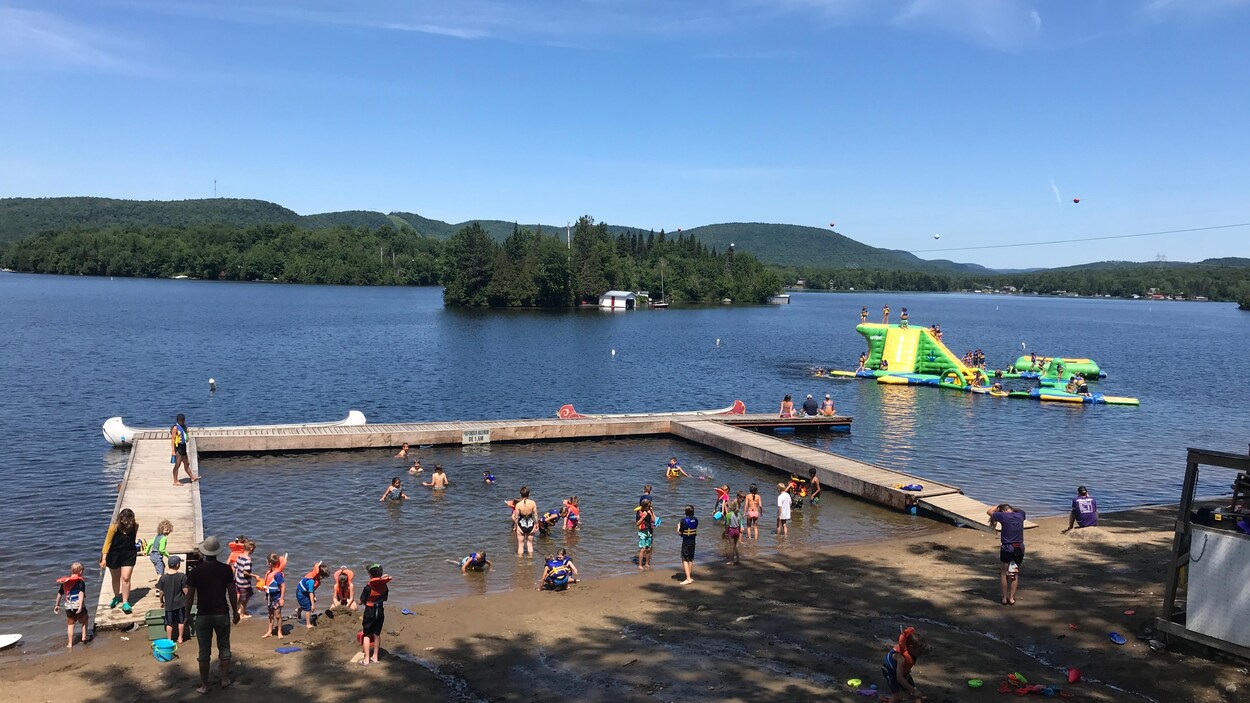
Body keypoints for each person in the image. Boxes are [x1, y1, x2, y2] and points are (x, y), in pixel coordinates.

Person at [185, 535, 240, 694]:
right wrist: (235, 611)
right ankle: (224, 679)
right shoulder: (226, 569)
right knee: (224, 646)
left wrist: (186, 615)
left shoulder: (196, 571)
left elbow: (189, 596)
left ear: (204, 552)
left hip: (203, 614)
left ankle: (204, 685)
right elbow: (232, 592)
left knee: (204, 650)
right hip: (222, 613)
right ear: (217, 552)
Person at [100, 507, 139, 614]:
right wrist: (104, 558)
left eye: (129, 519)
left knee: (126, 578)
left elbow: (133, 538)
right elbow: (107, 543)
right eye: (125, 520)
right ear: (121, 519)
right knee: (116, 577)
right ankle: (116, 596)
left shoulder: (135, 526)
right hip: (114, 554)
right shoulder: (114, 528)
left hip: (129, 553)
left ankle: (125, 602)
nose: (127, 522)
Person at [987, 503, 1026, 605]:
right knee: (1014, 573)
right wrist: (1010, 507)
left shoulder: (1003, 516)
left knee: (1004, 573)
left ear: (1003, 511)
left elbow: (989, 511)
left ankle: (1004, 598)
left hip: (1007, 548)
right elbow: (1018, 509)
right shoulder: (1021, 514)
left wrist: (998, 505)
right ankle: (1011, 598)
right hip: (1019, 547)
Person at [881, 627, 928, 703]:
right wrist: (913, 690)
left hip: (903, 672)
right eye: (919, 651)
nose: (921, 653)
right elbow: (899, 678)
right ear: (911, 647)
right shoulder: (901, 658)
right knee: (898, 696)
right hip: (890, 671)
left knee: (916, 694)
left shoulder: (911, 652)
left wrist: (914, 690)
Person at [359, 564, 391, 666]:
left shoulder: (368, 587)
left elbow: (361, 601)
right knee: (377, 634)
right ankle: (375, 657)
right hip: (380, 611)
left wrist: (360, 602)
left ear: (370, 575)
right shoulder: (384, 586)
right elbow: (385, 598)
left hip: (370, 611)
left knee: (367, 635)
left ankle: (366, 659)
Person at [54, 563, 90, 650]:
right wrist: (80, 606)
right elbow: (81, 593)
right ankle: (84, 637)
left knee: (70, 624)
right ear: (80, 572)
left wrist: (57, 605)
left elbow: (59, 594)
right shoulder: (80, 581)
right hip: (77, 605)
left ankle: (70, 644)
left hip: (69, 606)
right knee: (85, 620)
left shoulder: (65, 582)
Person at [156, 555, 188, 643]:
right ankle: (180, 638)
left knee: (169, 623)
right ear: (177, 565)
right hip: (180, 603)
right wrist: (187, 599)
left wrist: (161, 601)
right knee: (181, 621)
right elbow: (185, 590)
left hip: (169, 604)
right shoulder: (182, 576)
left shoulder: (163, 578)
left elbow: (161, 592)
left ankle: (169, 639)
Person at [257, 552, 287, 638]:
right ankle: (269, 631)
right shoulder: (269, 572)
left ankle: (279, 631)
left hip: (277, 597)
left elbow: (283, 586)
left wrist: (281, 598)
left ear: (269, 563)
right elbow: (268, 584)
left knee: (277, 615)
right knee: (270, 614)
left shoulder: (277, 574)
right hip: (269, 597)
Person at [295, 561, 328, 630]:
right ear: (319, 574)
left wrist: (314, 598)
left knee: (310, 603)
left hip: (305, 591)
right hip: (301, 593)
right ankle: (308, 624)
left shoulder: (315, 578)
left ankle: (299, 610)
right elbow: (311, 592)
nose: (323, 578)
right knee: (308, 609)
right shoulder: (311, 581)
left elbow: (312, 590)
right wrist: (313, 605)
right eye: (323, 577)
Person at [170, 414, 199, 486]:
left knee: (187, 463)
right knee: (177, 465)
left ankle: (192, 477)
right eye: (181, 420)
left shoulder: (184, 427)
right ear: (178, 420)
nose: (182, 421)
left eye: (183, 420)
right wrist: (173, 450)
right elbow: (173, 440)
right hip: (178, 448)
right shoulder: (175, 428)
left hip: (183, 446)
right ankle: (175, 481)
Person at [233, 538, 255, 619]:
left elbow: (235, 567)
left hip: (238, 581)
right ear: (251, 548)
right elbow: (245, 572)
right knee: (245, 598)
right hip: (244, 583)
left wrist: (233, 578)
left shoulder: (239, 556)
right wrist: (255, 576)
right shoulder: (248, 559)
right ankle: (242, 614)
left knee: (243, 596)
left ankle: (237, 610)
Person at [514, 486, 538, 557]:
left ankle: (520, 561)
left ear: (520, 494)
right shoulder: (533, 503)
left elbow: (516, 517)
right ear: (529, 494)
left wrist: (515, 526)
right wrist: (537, 524)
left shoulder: (518, 505)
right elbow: (535, 515)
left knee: (520, 545)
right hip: (531, 524)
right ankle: (530, 560)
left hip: (521, 525)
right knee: (530, 544)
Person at [678, 505, 698, 584]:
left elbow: (680, 532)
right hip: (693, 541)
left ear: (686, 512)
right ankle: (689, 576)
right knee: (690, 558)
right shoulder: (696, 520)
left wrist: (678, 526)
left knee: (684, 559)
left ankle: (688, 578)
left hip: (686, 542)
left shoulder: (683, 521)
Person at [636, 497, 656, 570]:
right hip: (642, 532)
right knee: (643, 548)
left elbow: (654, 521)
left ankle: (647, 563)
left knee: (649, 548)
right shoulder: (639, 512)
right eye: (648, 506)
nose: (650, 507)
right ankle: (640, 565)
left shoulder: (650, 511)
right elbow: (637, 523)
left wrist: (651, 514)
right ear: (645, 507)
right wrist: (643, 517)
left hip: (649, 531)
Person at [725, 496, 743, 565]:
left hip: (731, 531)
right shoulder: (739, 514)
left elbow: (727, 525)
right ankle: (738, 559)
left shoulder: (728, 515)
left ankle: (731, 561)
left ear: (731, 507)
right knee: (735, 546)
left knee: (731, 546)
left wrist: (726, 532)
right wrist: (739, 531)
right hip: (737, 530)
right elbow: (739, 524)